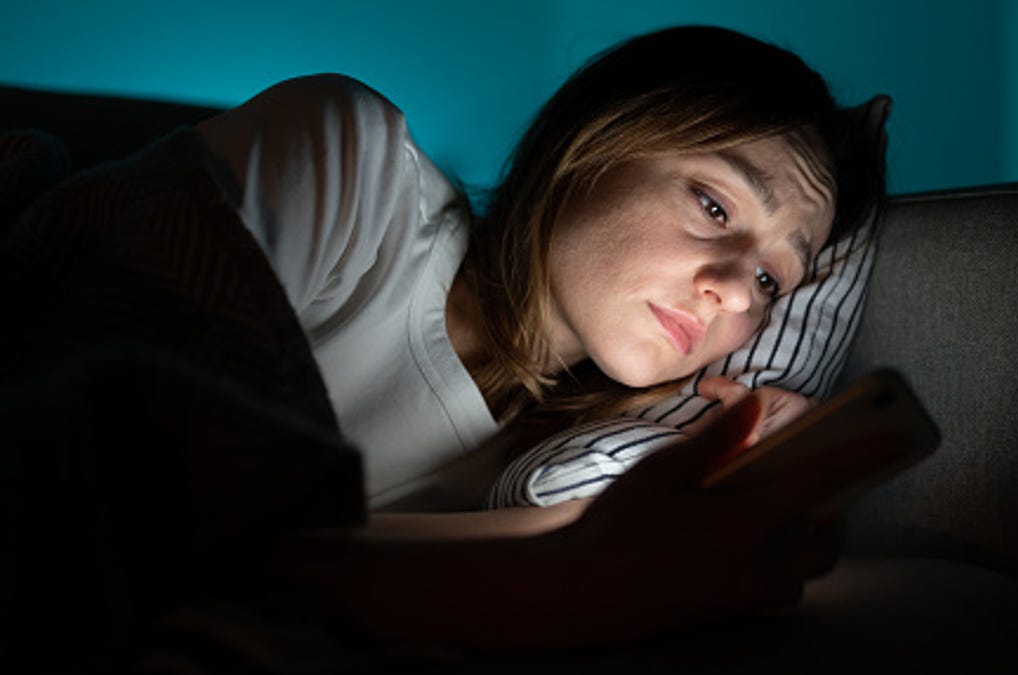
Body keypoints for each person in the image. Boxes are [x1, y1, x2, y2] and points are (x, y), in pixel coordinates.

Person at [2, 24, 884, 671]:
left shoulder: (551, 469)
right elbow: (86, 484)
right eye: (717, 206)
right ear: (596, 145)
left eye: (773, 282)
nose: (735, 290)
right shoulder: (353, 164)